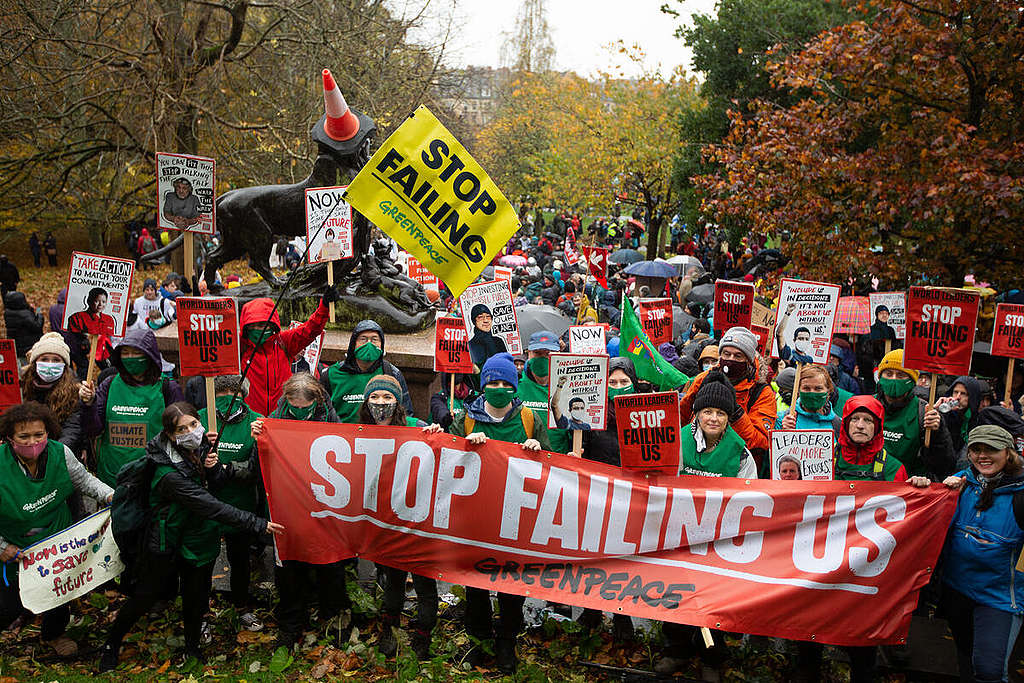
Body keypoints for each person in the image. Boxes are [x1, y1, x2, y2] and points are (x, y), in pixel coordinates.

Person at [99, 402, 282, 671]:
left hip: (199, 539)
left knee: (196, 596)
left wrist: (212, 466)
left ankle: (192, 647)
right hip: (167, 541)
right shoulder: (167, 472)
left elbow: (217, 484)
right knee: (146, 596)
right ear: (170, 435)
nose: (190, 432)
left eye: (194, 425)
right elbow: (209, 504)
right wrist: (256, 523)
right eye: (181, 429)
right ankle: (111, 643)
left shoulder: (198, 450)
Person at [794, 396, 925, 682]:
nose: (861, 426)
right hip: (820, 562)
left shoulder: (894, 468)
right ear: (846, 422)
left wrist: (919, 489)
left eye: (868, 421)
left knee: (862, 646)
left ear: (878, 427)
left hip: (864, 570)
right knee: (809, 637)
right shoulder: (822, 457)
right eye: (855, 419)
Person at [449, 353, 550, 673]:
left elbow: (553, 466)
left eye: (506, 383)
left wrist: (537, 449)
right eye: (493, 382)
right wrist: (464, 444)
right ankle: (478, 640)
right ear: (483, 385)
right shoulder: (466, 419)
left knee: (511, 586)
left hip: (516, 518)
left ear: (515, 386)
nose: (499, 388)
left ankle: (507, 642)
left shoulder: (529, 420)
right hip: (476, 516)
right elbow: (444, 456)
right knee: (476, 583)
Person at [657, 371, 755, 676]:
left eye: (721, 413)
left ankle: (712, 656)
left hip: (719, 539)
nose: (713, 418)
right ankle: (677, 650)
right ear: (696, 413)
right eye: (708, 412)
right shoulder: (676, 440)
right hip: (678, 534)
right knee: (675, 592)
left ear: (728, 418)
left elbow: (749, 497)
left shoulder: (741, 454)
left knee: (715, 598)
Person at [0, 402, 112, 657]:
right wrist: (2, 547)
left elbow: (84, 481)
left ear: (48, 432)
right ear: (9, 437)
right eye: (24, 436)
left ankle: (54, 634)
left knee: (58, 590)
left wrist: (109, 496)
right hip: (13, 542)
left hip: (55, 537)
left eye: (38, 435)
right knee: (8, 605)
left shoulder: (60, 453)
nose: (32, 442)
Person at [250, 374, 351, 651]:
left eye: (303, 408)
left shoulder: (331, 421)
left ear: (316, 402)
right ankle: (292, 622)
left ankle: (334, 617)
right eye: (292, 406)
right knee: (288, 568)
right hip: (287, 507)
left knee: (330, 564)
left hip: (324, 508)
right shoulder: (273, 419)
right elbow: (256, 468)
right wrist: (258, 441)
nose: (298, 412)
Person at [356, 374, 440, 660]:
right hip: (386, 522)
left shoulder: (416, 428)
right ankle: (389, 630)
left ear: (398, 400)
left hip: (419, 521)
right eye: (375, 397)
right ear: (366, 401)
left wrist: (437, 435)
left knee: (425, 583)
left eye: (388, 397)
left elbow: (440, 450)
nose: (381, 403)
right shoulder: (357, 431)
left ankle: (423, 637)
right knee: (393, 581)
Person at [939, 425, 1024, 683]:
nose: (983, 456)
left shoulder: (1020, 494)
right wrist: (932, 490)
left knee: (989, 671)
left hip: (999, 598)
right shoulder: (962, 482)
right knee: (966, 658)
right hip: (957, 590)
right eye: (977, 449)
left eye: (992, 450)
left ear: (1008, 452)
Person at [574, 356, 636, 640]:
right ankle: (592, 609)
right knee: (594, 554)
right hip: (597, 496)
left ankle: (621, 614)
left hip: (630, 497)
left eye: (624, 382)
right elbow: (579, 449)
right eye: (612, 382)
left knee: (623, 557)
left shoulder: (645, 416)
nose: (619, 386)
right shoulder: (591, 415)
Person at [197, 375, 263, 632]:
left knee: (240, 559)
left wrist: (225, 469)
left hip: (241, 505)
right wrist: (203, 451)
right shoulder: (199, 418)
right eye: (220, 391)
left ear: (243, 393)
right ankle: (201, 613)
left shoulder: (256, 421)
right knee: (203, 562)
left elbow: (257, 466)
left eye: (232, 391)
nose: (226, 396)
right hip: (206, 505)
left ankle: (241, 606)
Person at [80, 328, 184, 486]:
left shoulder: (168, 388)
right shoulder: (109, 384)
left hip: (153, 478)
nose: (130, 358)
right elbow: (93, 429)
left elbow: (181, 433)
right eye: (125, 352)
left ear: (149, 355)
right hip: (112, 478)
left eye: (136, 353)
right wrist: (89, 405)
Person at [679, 327, 777, 472]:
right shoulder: (703, 379)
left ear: (748, 361)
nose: (730, 360)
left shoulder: (762, 393)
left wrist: (736, 415)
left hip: (738, 468)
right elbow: (681, 417)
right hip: (696, 463)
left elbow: (761, 442)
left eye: (738, 356)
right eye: (726, 354)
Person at [239, 293, 331, 417]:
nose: (257, 329)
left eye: (262, 325)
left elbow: (311, 329)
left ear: (272, 325)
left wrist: (324, 306)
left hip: (282, 416)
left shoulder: (284, 341)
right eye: (252, 326)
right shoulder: (238, 345)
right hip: (248, 418)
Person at [875, 349, 954, 478]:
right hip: (870, 485)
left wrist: (937, 433)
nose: (894, 379)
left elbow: (944, 465)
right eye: (888, 374)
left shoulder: (925, 412)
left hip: (908, 488)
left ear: (912, 381)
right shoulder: (867, 406)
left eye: (901, 375)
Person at [321, 319, 413, 423]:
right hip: (340, 436)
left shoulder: (392, 373)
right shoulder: (331, 374)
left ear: (381, 344)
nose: (369, 344)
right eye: (363, 339)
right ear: (353, 344)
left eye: (374, 340)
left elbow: (405, 412)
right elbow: (321, 413)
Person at [20, 333, 84, 455]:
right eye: (44, 359)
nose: (50, 364)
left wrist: (55, 452)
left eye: (56, 360)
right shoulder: (22, 386)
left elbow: (72, 428)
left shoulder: (73, 391)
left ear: (64, 365)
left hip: (59, 453)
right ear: (35, 362)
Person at [775, 364, 840, 438]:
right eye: (806, 388)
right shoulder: (781, 420)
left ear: (828, 391)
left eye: (818, 388)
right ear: (798, 391)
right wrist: (782, 433)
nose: (812, 392)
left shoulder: (838, 425)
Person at [940, 375, 983, 454]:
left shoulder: (978, 420)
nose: (958, 397)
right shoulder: (944, 415)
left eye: (963, 393)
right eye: (955, 392)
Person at [4, 291, 44, 360]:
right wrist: (39, 313)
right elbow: (37, 326)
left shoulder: (8, 312)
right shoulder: (24, 315)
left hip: (17, 346)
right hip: (28, 346)